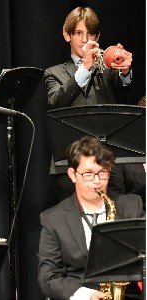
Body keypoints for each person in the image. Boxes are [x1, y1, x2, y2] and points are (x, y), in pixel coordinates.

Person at [38, 136, 145, 300]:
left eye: (102, 173)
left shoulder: (132, 206)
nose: (97, 182)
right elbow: (48, 278)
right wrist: (86, 295)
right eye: (88, 174)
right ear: (72, 175)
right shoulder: (53, 219)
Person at [45, 7, 134, 203]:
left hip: (108, 164)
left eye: (91, 33)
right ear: (66, 35)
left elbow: (124, 86)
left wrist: (125, 71)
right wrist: (85, 67)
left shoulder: (107, 69)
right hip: (70, 164)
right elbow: (56, 101)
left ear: (98, 36)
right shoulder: (53, 73)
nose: (85, 39)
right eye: (78, 33)